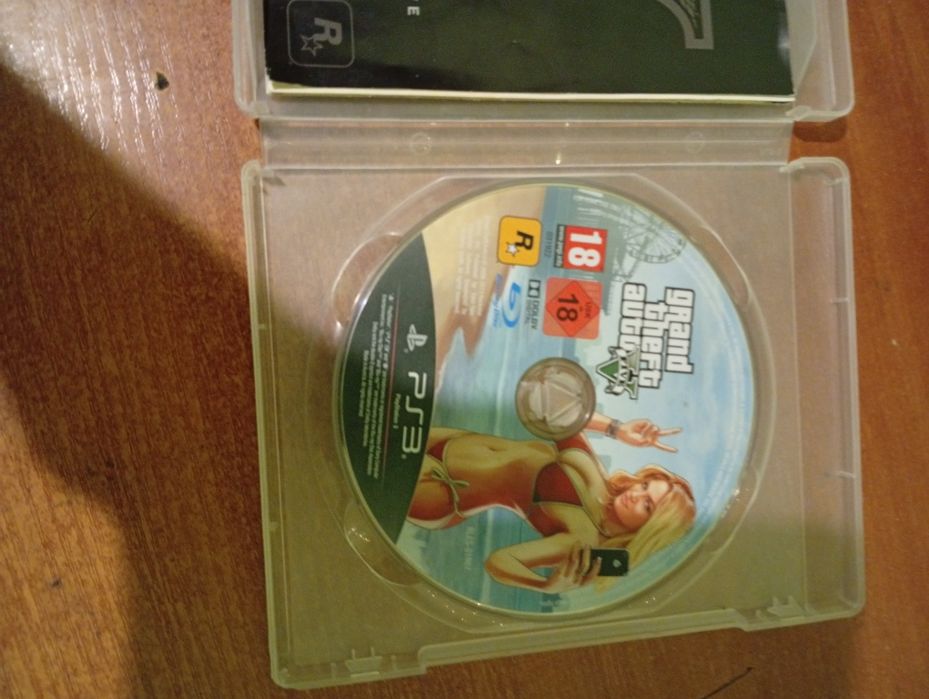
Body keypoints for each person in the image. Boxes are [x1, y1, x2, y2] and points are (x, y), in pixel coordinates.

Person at [407, 413, 695, 593]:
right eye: (644, 486)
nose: (636, 494)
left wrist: (545, 585)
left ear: (649, 529)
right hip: (449, 440)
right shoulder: (599, 478)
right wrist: (616, 429)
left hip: (442, 489)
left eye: (647, 505)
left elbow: (499, 561)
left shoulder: (582, 540)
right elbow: (562, 419)